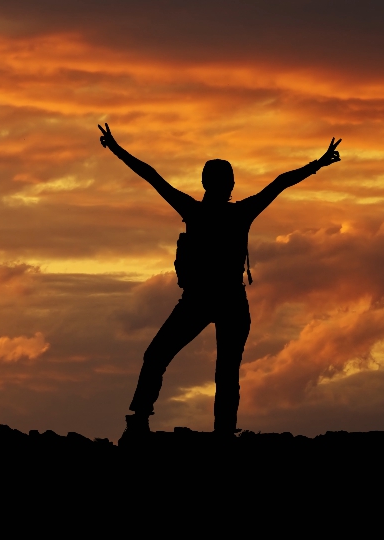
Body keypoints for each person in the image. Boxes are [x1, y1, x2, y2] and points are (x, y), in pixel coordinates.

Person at [97, 123, 342, 442]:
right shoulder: (240, 212)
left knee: (159, 356)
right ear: (230, 185)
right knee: (224, 371)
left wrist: (116, 149)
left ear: (204, 183)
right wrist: (318, 163)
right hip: (227, 302)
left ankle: (141, 420)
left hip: (202, 300)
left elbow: (152, 175)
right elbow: (280, 182)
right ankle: (221, 432)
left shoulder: (194, 211)